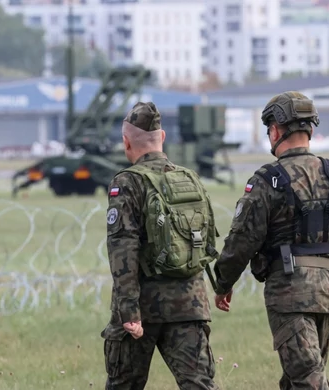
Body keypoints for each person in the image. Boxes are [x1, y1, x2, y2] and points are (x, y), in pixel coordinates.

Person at [212, 91, 329, 389]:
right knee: (298, 378)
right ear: (310, 130)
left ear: (275, 130)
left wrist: (224, 284)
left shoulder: (266, 180)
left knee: (307, 380)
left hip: (290, 294)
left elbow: (242, 241)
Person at [101, 101, 221, 390]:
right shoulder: (189, 178)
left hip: (144, 304)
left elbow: (123, 250)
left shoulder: (127, 182)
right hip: (190, 303)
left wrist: (128, 310)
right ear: (162, 137)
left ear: (126, 142)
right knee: (200, 385)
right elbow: (207, 240)